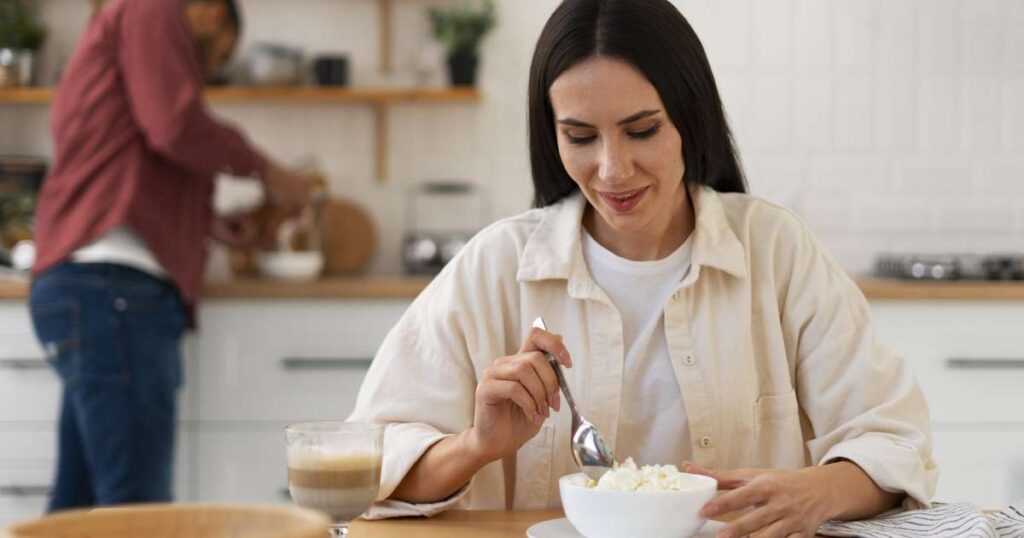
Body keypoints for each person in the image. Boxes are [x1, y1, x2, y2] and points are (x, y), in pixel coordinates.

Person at [348, 0, 939, 535]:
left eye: (642, 131)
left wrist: (817, 491)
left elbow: (892, 440)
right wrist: (476, 446)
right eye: (580, 136)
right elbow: (370, 464)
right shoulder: (496, 267)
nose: (612, 170)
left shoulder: (775, 249)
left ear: (690, 118)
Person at [28, 0, 311, 511]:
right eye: (215, 54)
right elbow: (173, 125)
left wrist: (205, 223)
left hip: (85, 288)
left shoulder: (122, 24)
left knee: (77, 508)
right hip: (115, 293)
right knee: (137, 511)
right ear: (210, 11)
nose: (204, 69)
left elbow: (129, 158)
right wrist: (265, 169)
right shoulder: (150, 8)